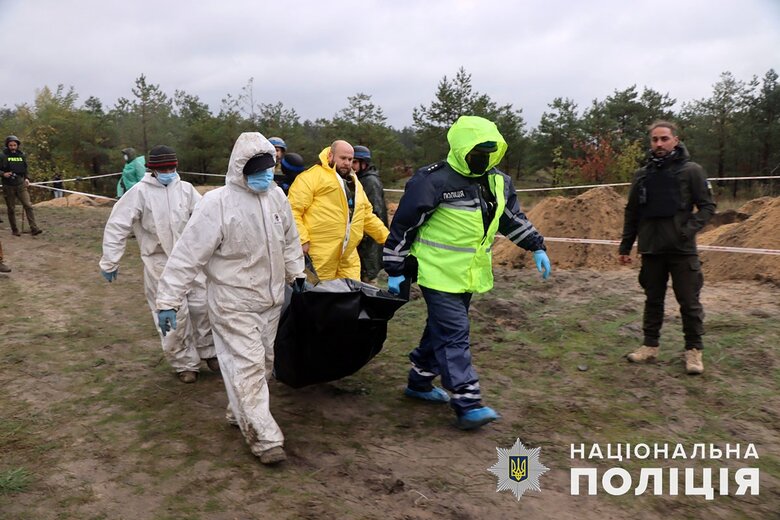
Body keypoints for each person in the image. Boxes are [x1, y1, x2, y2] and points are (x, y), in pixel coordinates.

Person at [383, 116, 551, 430]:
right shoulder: (433, 181)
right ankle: (467, 400)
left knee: (440, 328)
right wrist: (395, 268)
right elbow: (404, 226)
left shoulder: (498, 181)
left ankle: (419, 380)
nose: (483, 158)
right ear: (462, 149)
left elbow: (511, 218)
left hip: (470, 274)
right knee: (454, 332)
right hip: (436, 272)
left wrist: (536, 246)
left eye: (489, 151)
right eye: (477, 151)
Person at [156, 132, 305, 465]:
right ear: (240, 169)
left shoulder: (276, 197)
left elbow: (290, 238)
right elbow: (187, 255)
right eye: (257, 170)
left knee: (263, 362)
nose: (264, 175)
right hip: (232, 302)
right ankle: (264, 438)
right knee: (248, 364)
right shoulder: (217, 204)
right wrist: (168, 300)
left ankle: (240, 411)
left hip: (270, 300)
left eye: (268, 168)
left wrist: (297, 273)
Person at [99, 145, 217, 384]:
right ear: (152, 170)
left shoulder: (186, 190)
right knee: (173, 316)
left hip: (190, 261)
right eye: (163, 169)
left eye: (171, 168)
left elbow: (208, 219)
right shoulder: (139, 193)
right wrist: (110, 260)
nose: (168, 172)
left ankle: (209, 351)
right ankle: (185, 363)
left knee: (202, 307)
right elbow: (117, 225)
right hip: (159, 262)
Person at [619, 120, 716, 375]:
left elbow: (707, 207)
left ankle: (693, 351)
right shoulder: (642, 175)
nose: (659, 144)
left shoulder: (691, 171)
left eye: (664, 139)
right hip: (651, 250)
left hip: (682, 251)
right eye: (655, 139)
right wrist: (625, 246)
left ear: (675, 140)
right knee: (653, 300)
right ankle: (650, 346)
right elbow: (632, 212)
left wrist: (687, 230)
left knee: (689, 302)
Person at [288, 140, 389, 281]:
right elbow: (292, 211)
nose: (347, 163)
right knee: (317, 292)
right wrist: (302, 240)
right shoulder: (310, 178)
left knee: (351, 293)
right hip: (318, 255)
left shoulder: (354, 182)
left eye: (350, 159)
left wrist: (387, 239)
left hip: (348, 257)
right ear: (330, 156)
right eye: (343, 158)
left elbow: (366, 215)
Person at [352, 145, 389, 284]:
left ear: (364, 163)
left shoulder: (370, 182)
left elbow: (374, 213)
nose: (351, 165)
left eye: (355, 162)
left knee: (367, 283)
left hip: (368, 245)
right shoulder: (358, 179)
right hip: (362, 243)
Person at [1, 135, 42, 236]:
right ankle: (15, 230)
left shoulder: (21, 155)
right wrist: (3, 174)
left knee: (28, 205)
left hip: (20, 184)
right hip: (8, 185)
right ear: (7, 145)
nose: (13, 147)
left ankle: (34, 228)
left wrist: (27, 178)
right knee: (11, 208)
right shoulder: (2, 156)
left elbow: (25, 168)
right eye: (11, 145)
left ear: (17, 145)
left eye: (14, 145)